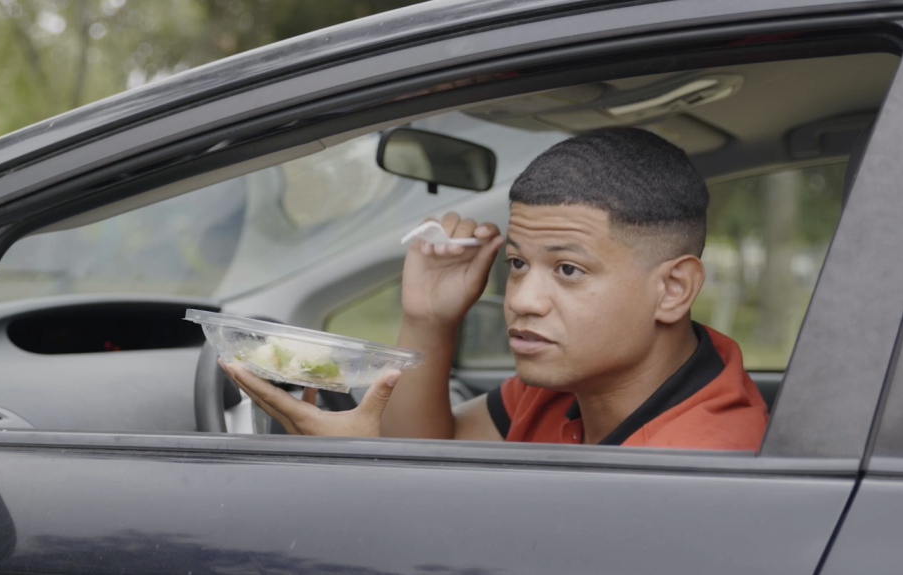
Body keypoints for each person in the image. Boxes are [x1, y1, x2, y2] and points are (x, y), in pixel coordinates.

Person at [219, 128, 769, 449]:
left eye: (568, 270)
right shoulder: (575, 377)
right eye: (517, 264)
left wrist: (362, 472)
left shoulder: (699, 453)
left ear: (673, 289)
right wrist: (429, 319)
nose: (522, 300)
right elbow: (436, 450)